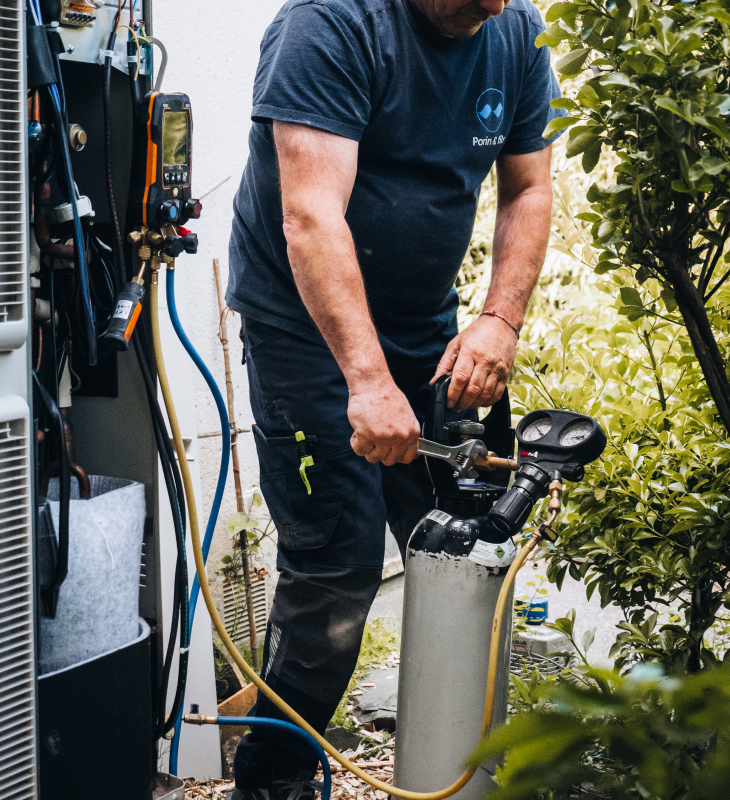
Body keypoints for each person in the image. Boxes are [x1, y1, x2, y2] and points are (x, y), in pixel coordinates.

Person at [225, 0, 564, 796]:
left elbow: (529, 188)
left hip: (428, 325)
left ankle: (455, 770)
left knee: (469, 538)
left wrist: (498, 320)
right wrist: (367, 381)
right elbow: (310, 216)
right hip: (306, 328)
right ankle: (274, 782)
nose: (495, 7)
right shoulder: (331, 26)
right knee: (337, 568)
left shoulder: (515, 32)